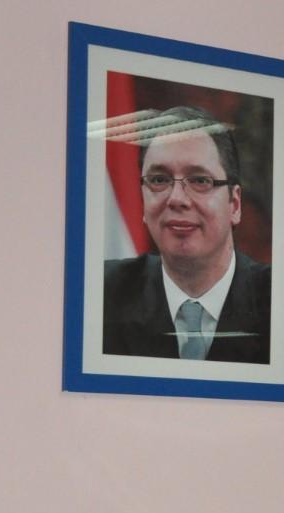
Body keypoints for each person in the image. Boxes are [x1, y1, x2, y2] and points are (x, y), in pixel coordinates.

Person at [103, 105, 272, 363]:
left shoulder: (281, 301)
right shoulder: (101, 293)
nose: (177, 199)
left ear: (235, 205)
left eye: (200, 181)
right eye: (159, 180)